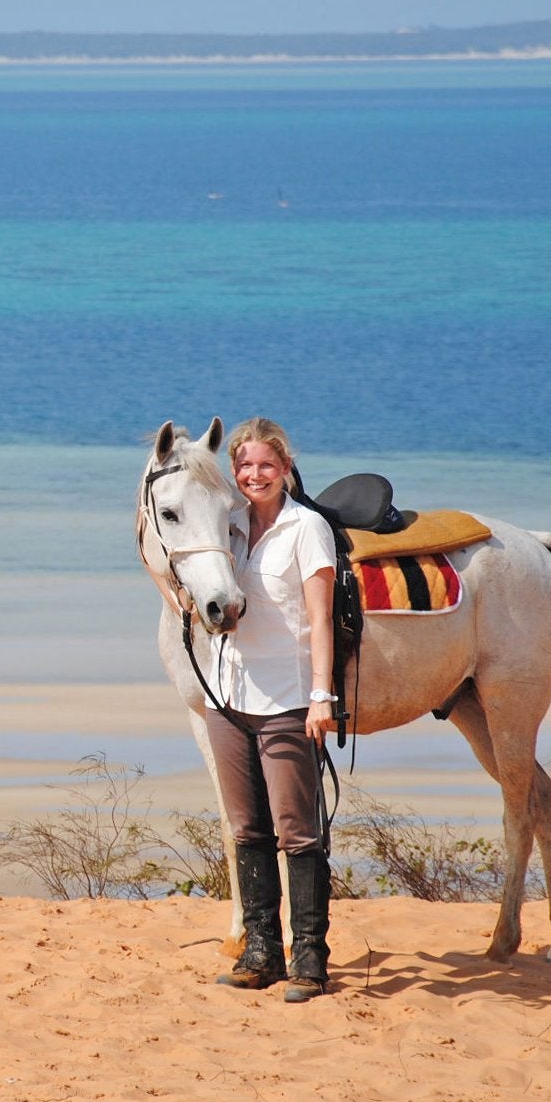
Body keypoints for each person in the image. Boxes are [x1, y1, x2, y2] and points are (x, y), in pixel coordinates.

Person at [207, 417, 338, 1001]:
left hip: (288, 697)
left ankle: (310, 959)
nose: (253, 475)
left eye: (265, 465)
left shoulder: (307, 528)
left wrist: (321, 695)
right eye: (244, 466)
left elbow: (320, 619)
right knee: (246, 828)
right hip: (227, 696)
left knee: (297, 833)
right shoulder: (228, 524)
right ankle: (262, 952)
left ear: (285, 468)